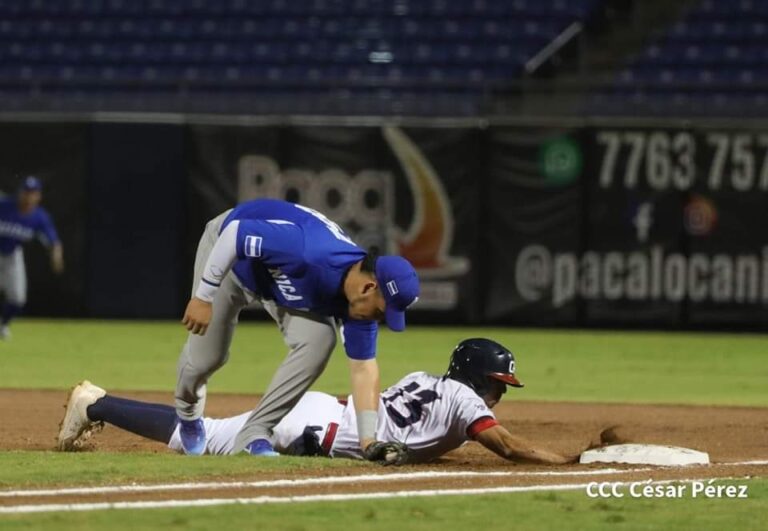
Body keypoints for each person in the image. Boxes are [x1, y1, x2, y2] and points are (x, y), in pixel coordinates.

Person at [57, 338, 580, 465]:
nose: (498, 394)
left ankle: (97, 404)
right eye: (496, 384)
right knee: (200, 441)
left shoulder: (427, 379)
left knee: (210, 433)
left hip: (323, 411)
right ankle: (94, 404)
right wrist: (567, 461)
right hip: (318, 429)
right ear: (475, 378)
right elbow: (507, 446)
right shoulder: (465, 401)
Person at [175, 199, 420, 460]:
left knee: (320, 340)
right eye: (382, 311)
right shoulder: (309, 250)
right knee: (206, 359)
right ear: (368, 288)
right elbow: (234, 235)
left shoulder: (360, 302)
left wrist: (368, 441)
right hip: (230, 259)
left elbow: (364, 368)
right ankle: (188, 412)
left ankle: (254, 433)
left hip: (278, 283)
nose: (379, 320)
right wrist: (204, 297)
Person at [0, 176, 64, 340]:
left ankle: (2, 325)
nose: (28, 196)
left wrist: (56, 256)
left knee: (18, 298)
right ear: (20, 193)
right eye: (26, 192)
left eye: (33, 193)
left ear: (38, 196)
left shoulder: (40, 217)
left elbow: (53, 241)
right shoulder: (4, 205)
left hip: (12, 255)